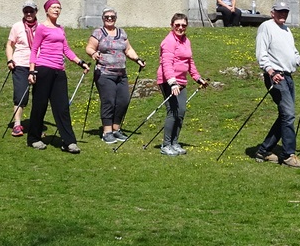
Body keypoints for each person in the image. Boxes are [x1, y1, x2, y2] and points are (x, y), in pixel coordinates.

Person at [253, 2, 300, 169]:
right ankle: (288, 155)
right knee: (288, 115)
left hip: (287, 77)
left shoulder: (287, 30)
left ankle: (264, 150)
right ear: (272, 12)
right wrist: (271, 72)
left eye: (285, 12)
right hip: (276, 76)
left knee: (285, 115)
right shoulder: (266, 27)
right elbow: (261, 53)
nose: (283, 14)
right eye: (279, 11)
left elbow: (293, 56)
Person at [27, 0, 88, 152]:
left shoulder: (61, 29)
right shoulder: (41, 28)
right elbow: (34, 49)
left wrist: (80, 62)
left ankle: (69, 142)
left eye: (59, 7)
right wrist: (32, 71)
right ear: (47, 10)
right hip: (43, 69)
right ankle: (34, 138)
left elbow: (66, 49)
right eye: (53, 7)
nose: (56, 10)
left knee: (62, 107)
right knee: (39, 105)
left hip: (59, 71)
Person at [86, 8, 145, 144]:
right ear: (103, 18)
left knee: (123, 101)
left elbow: (128, 49)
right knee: (109, 101)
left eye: (112, 16)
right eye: (107, 16)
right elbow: (89, 47)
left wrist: (137, 59)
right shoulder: (98, 32)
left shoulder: (122, 33)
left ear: (116, 18)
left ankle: (116, 129)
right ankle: (107, 132)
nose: (109, 19)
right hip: (104, 73)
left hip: (121, 74)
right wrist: (93, 53)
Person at [156, 13, 208, 155]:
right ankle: (166, 145)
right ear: (172, 25)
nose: (180, 28)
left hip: (181, 81)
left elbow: (189, 61)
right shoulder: (168, 41)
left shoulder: (186, 41)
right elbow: (167, 64)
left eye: (183, 25)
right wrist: (172, 83)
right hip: (169, 81)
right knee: (172, 112)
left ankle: (175, 143)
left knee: (181, 112)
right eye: (177, 25)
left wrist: (198, 78)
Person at [3, 0, 39, 137]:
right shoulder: (17, 26)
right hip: (21, 64)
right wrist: (10, 59)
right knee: (20, 95)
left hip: (38, 64)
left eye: (31, 11)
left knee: (39, 96)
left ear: (36, 12)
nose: (29, 14)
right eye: (26, 11)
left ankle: (36, 125)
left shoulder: (41, 27)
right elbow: (9, 44)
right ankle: (17, 125)